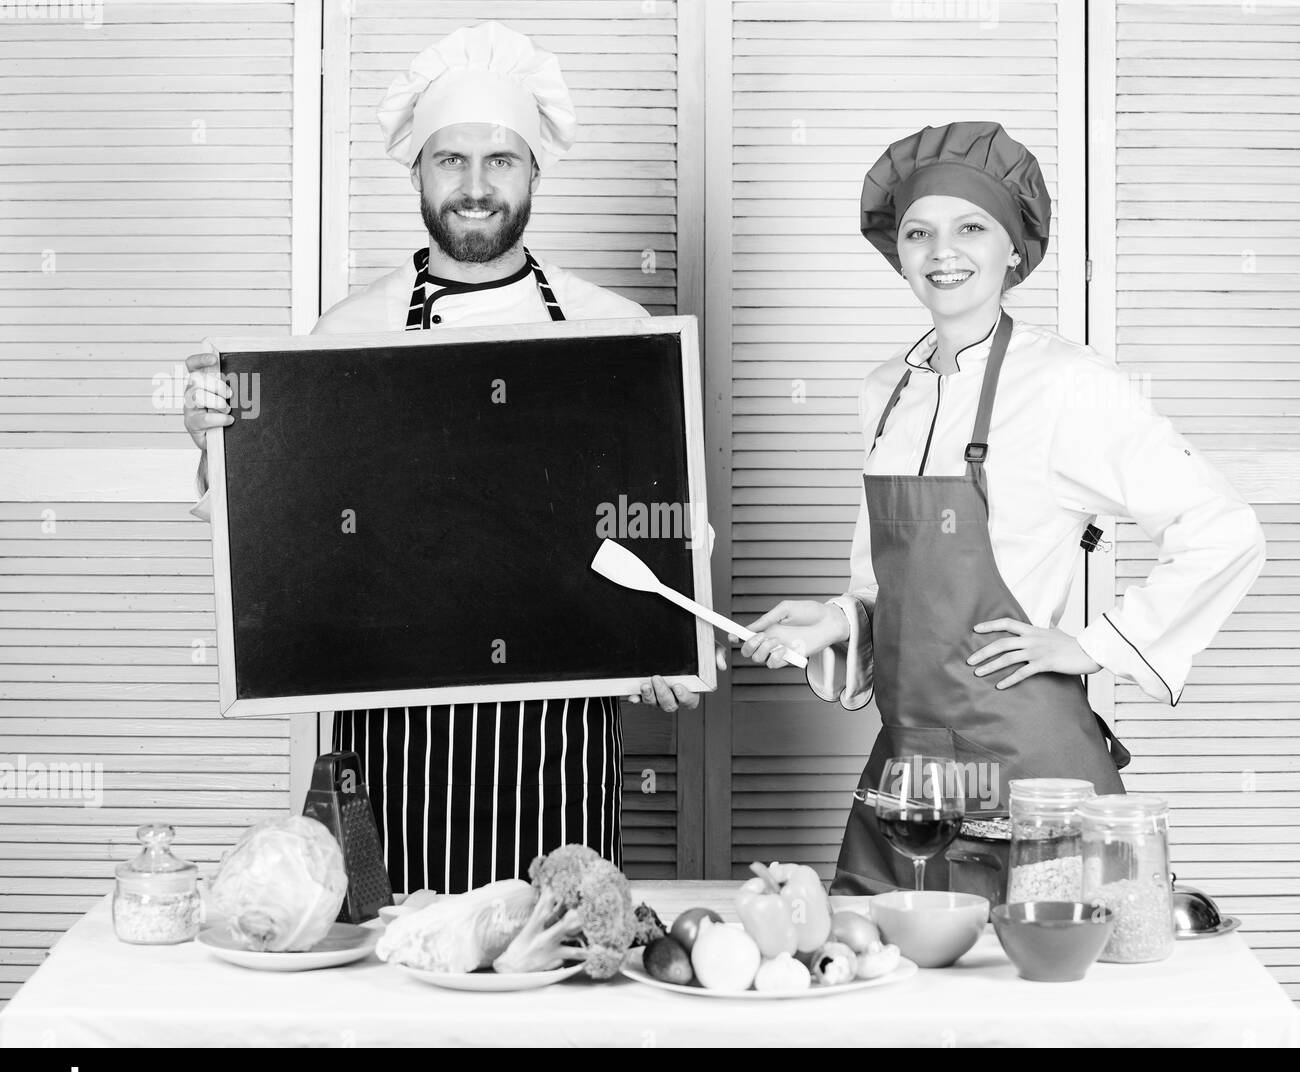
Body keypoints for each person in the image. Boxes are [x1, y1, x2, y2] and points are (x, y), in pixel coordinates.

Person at [182, 22, 712, 894]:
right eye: (449, 160)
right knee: (396, 975)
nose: (475, 187)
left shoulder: (612, 330)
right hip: (393, 743)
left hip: (561, 739)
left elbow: (662, 523)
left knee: (562, 965)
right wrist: (220, 442)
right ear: (417, 172)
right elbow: (281, 537)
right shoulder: (346, 337)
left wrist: (669, 633)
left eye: (500, 160)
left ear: (535, 170)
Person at [738, 121, 1266, 894]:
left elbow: (1224, 529)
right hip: (913, 770)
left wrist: (1096, 644)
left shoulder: (1065, 386)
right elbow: (890, 588)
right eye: (919, 232)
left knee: (1046, 993)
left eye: (971, 227)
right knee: (889, 984)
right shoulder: (884, 394)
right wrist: (836, 622)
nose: (941, 251)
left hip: (1029, 771)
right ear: (899, 253)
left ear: (1013, 246)